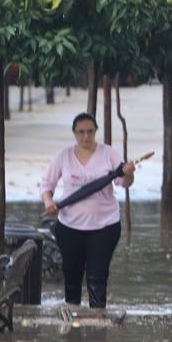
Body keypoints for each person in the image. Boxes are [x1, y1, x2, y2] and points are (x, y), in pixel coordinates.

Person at [40, 112, 136, 310]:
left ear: (96, 132)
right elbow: (46, 184)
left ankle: (98, 324)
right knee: (72, 276)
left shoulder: (108, 153)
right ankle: (72, 323)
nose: (86, 137)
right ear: (74, 133)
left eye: (90, 132)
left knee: (97, 276)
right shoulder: (63, 156)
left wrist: (129, 174)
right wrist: (49, 201)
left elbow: (123, 182)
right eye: (81, 132)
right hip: (69, 226)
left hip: (105, 225)